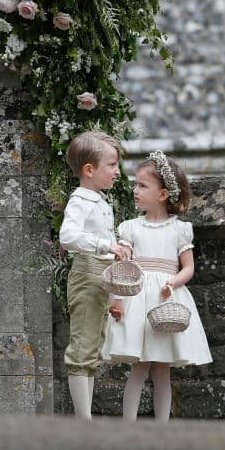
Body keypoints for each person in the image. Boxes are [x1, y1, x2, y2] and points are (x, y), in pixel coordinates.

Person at [102, 151, 211, 421]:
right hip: (138, 301)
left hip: (165, 300)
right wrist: (117, 300)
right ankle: (129, 426)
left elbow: (188, 268)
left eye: (142, 185)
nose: (135, 190)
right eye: (135, 184)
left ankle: (162, 427)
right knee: (139, 367)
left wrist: (173, 281)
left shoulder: (179, 229)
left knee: (162, 370)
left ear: (162, 194)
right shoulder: (130, 228)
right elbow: (123, 269)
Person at [59, 130, 131, 420]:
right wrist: (106, 245)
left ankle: (85, 418)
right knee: (83, 347)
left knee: (93, 348)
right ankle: (83, 420)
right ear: (89, 170)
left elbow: (104, 242)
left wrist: (118, 247)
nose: (117, 171)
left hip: (101, 275)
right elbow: (67, 236)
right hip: (88, 273)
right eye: (111, 165)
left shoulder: (99, 201)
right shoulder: (80, 201)